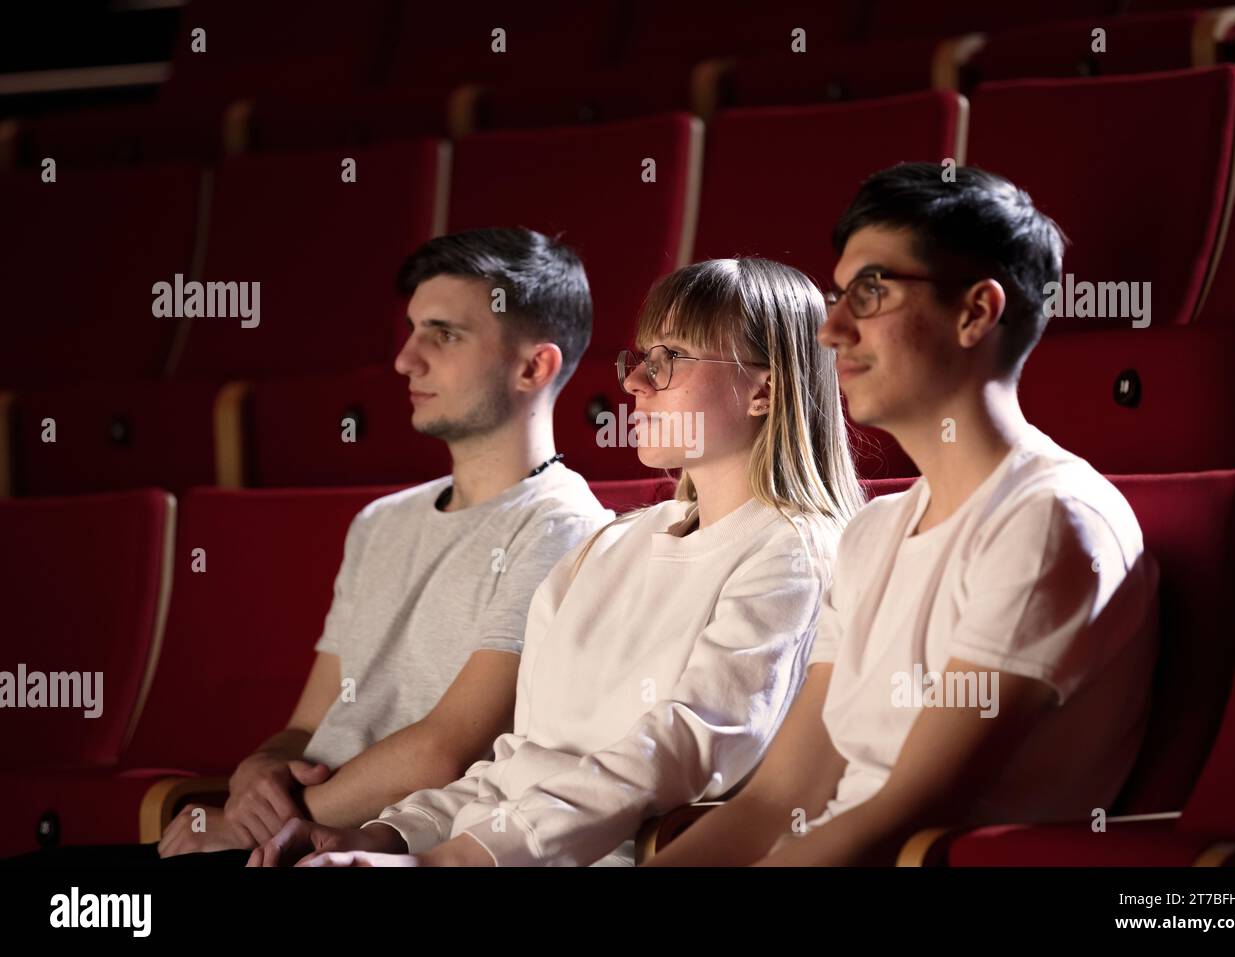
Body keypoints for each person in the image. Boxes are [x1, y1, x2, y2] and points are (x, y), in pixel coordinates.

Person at [10, 228, 612, 866]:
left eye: (444, 333)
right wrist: (259, 770)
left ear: (533, 366)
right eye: (410, 330)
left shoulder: (562, 527)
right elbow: (308, 726)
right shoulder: (380, 521)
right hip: (288, 838)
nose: (406, 360)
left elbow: (449, 747)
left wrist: (253, 829)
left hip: (384, 848)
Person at [249, 257, 864, 867]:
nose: (634, 384)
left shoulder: (795, 553)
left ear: (764, 389)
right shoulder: (607, 546)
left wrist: (446, 862)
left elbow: (679, 751)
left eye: (668, 359)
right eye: (639, 358)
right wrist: (389, 837)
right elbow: (520, 759)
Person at [645, 163, 1159, 867]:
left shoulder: (1049, 521)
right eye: (837, 295)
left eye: (871, 292)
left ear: (976, 311)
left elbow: (901, 814)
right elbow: (777, 799)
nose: (831, 331)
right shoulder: (872, 531)